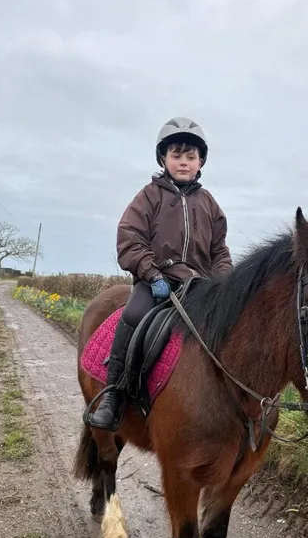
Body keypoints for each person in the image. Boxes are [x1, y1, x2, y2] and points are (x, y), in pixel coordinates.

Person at [87, 117, 232, 431]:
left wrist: (225, 282)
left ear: (201, 161)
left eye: (190, 156)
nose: (183, 162)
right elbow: (130, 238)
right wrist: (152, 275)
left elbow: (219, 250)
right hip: (156, 282)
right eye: (177, 155)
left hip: (200, 285)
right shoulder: (149, 196)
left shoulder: (209, 204)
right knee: (135, 314)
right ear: (163, 159)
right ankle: (115, 394)